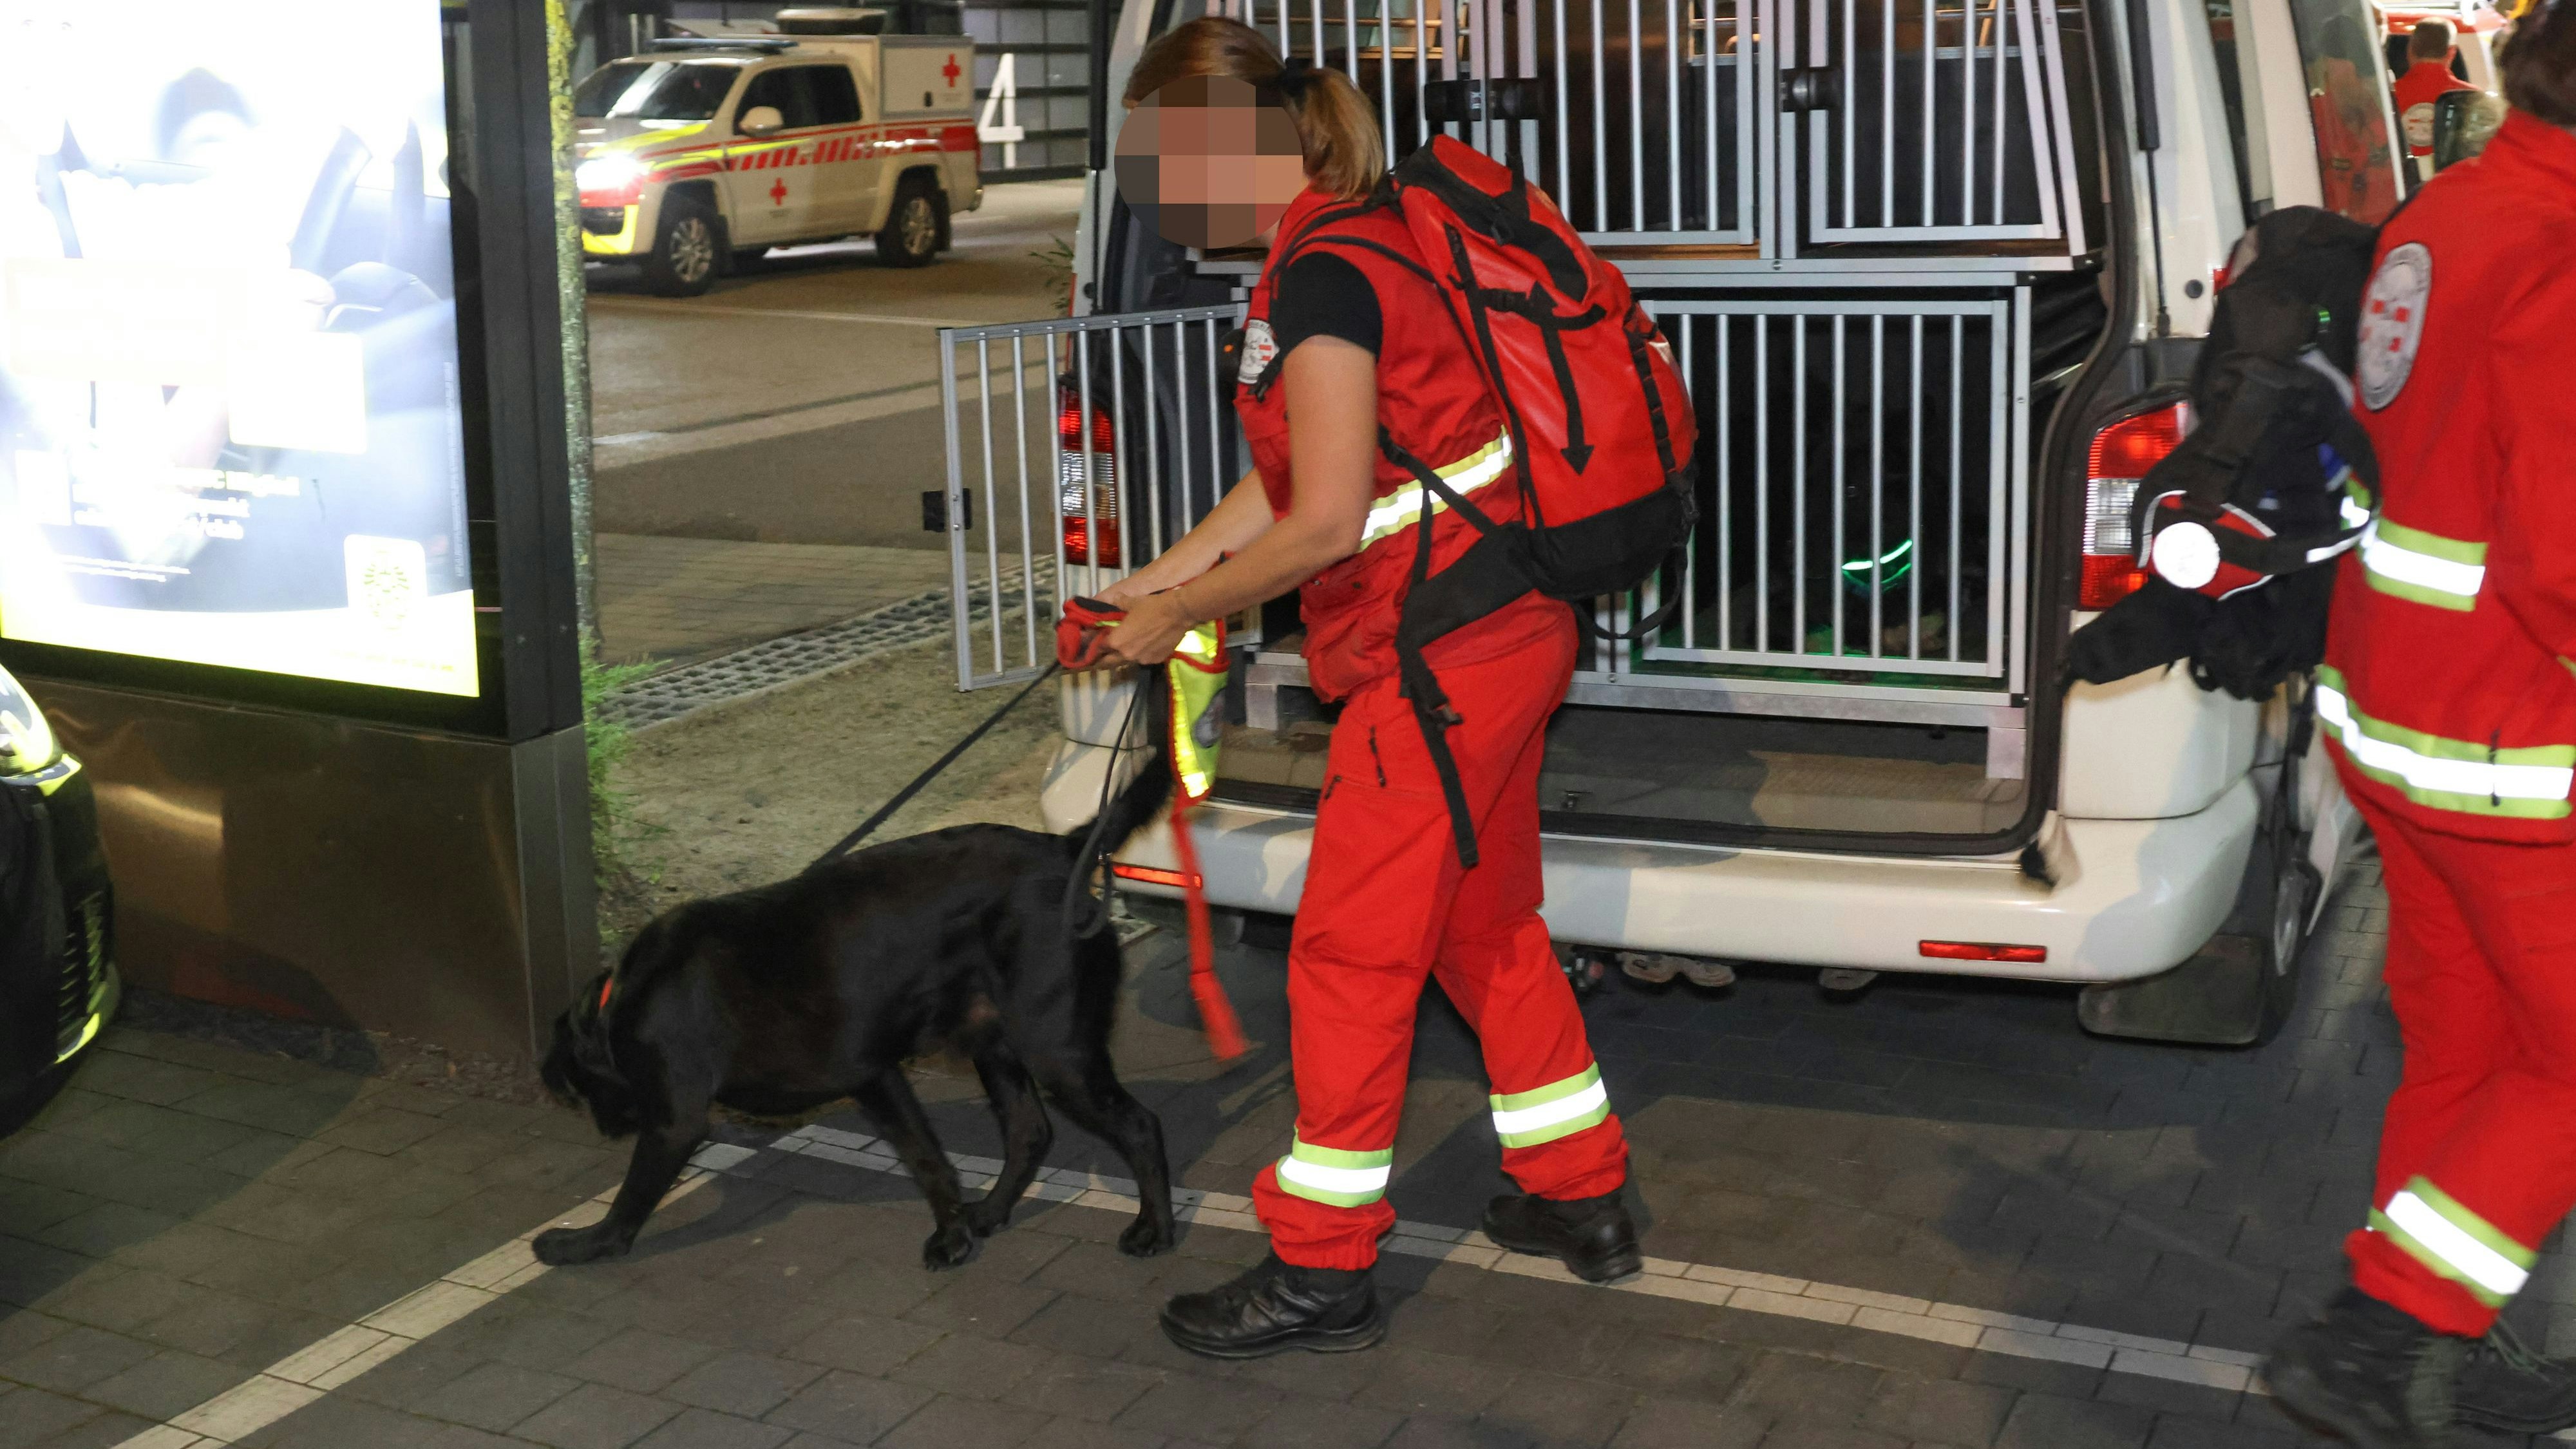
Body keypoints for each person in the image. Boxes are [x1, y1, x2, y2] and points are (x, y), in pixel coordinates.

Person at [1082, 15, 1640, 1359]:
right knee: (1484, 926)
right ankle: (1582, 1197)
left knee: (1346, 954)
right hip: (1496, 633)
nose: (1156, 192)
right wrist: (1152, 583)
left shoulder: (1320, 279)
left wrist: (1177, 615)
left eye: (1161, 156)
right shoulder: (1359, 238)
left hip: (1439, 658)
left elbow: (1324, 522)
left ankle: (1320, 1266)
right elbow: (1304, 477)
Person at [2262, 5, 2576, 1445]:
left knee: (2457, 1051)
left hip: (2389, 708)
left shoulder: (2448, 207)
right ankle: (2386, 1332)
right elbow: (2560, 553)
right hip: (2513, 740)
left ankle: (2447, 1347)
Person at [2393, 19, 2480, 168]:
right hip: (2455, 185)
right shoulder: (2474, 99)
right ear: (2452, 52)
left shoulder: (2386, 96)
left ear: (2410, 50)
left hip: (2404, 185)